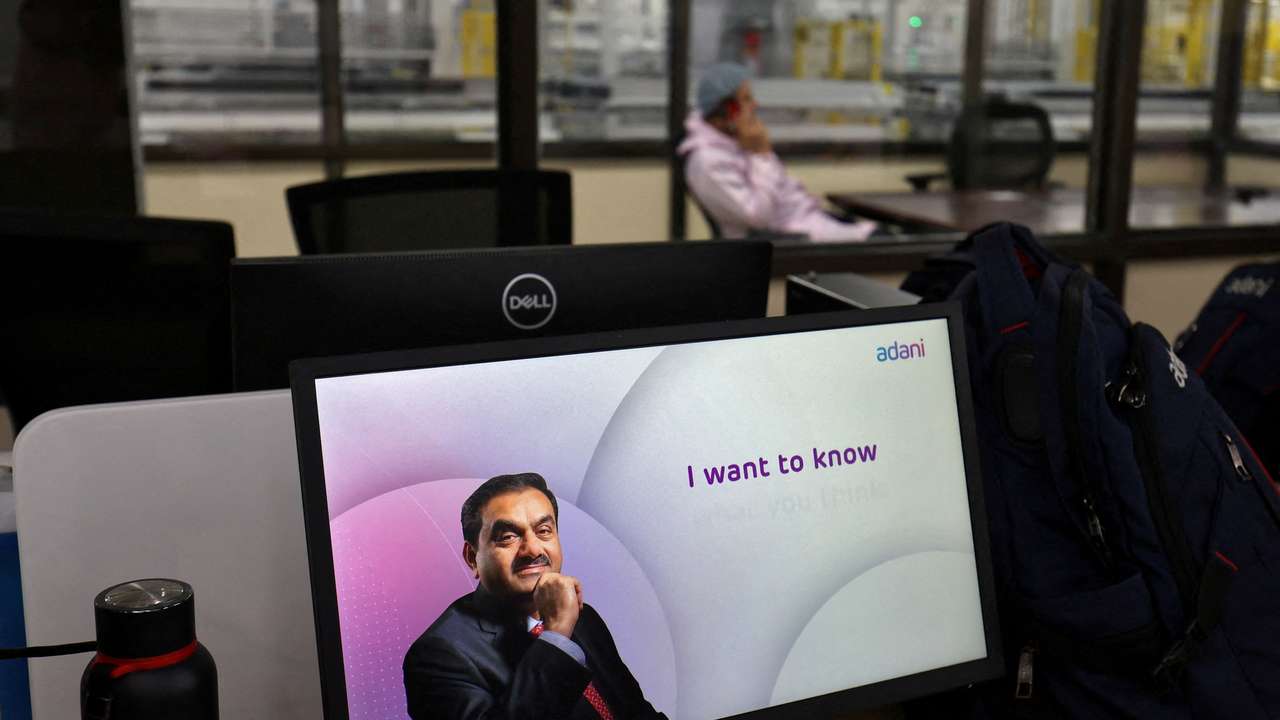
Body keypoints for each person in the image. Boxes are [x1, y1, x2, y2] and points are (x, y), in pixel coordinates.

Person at [403, 473, 666, 720]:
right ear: (473, 558)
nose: (532, 549)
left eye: (544, 531)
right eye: (508, 537)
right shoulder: (437, 656)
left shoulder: (583, 618)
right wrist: (556, 636)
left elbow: (637, 713)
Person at [678, 62, 879, 242]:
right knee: (896, 245)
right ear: (726, 110)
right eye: (747, 99)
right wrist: (761, 154)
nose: (755, 105)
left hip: (809, 224)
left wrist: (759, 152)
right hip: (794, 240)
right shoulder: (707, 162)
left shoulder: (735, 142)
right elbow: (758, 216)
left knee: (893, 237)